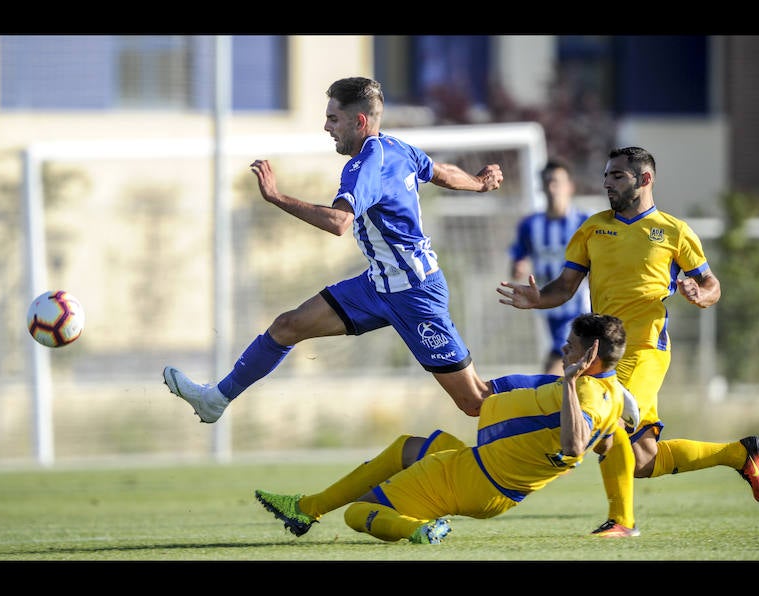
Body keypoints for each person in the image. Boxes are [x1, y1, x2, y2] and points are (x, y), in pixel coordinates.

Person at [162, 76, 503, 424]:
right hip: (378, 286)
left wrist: (277, 197)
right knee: (288, 325)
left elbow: (339, 222)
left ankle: (555, 396)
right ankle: (216, 399)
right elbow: (440, 172)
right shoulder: (399, 149)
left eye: (333, 118)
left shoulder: (365, 165)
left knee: (475, 401)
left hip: (415, 293)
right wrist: (478, 183)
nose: (326, 127)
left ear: (359, 121)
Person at [497, 146, 759, 537]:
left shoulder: (674, 231)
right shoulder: (592, 228)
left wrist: (699, 294)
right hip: (604, 353)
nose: (607, 182)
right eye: (606, 175)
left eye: (617, 176)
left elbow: (712, 286)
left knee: (608, 424)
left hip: (645, 349)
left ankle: (622, 522)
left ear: (645, 179)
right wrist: (537, 298)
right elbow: (564, 287)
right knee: (642, 460)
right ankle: (739, 454)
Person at [255, 313, 628, 544]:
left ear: (589, 356)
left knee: (358, 513)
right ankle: (308, 508)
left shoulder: (584, 392)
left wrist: (567, 384)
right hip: (487, 472)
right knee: (408, 447)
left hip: (476, 477)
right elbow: (602, 441)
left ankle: (415, 528)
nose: (564, 349)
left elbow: (576, 446)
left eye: (571, 345)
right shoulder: (609, 390)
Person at [508, 159, 591, 374]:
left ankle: (542, 400)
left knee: (556, 362)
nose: (552, 188)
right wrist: (518, 266)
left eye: (557, 182)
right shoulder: (530, 225)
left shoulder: (585, 223)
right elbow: (519, 256)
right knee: (574, 368)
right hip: (546, 306)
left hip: (577, 306)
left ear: (570, 187)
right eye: (547, 183)